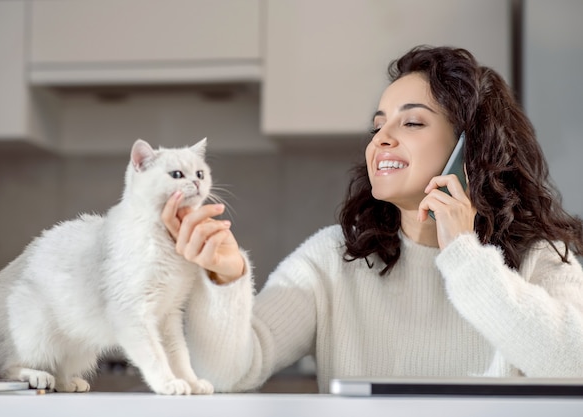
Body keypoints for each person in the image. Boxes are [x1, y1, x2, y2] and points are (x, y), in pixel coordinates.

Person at [161, 45, 583, 393]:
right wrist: (226, 278)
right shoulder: (332, 260)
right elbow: (224, 373)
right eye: (378, 126)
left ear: (472, 150)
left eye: (413, 121)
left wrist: (464, 257)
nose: (382, 138)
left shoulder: (540, 259)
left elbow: (573, 363)